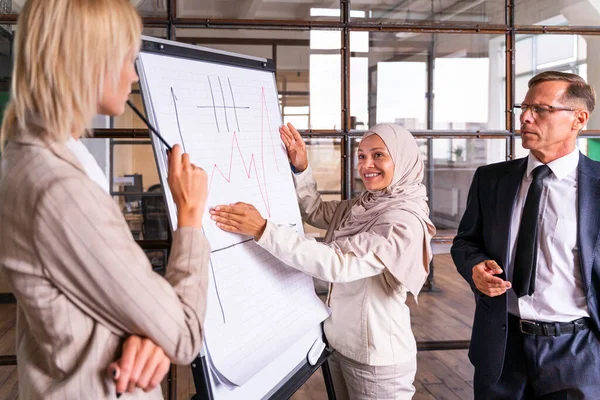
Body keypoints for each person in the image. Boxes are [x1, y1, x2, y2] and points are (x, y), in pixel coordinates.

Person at [0, 0, 210, 398]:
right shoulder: (60, 191)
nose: (133, 75)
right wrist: (190, 217)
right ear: (87, 61)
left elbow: (105, 297)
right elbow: (184, 332)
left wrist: (153, 331)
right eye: (126, 58)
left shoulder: (35, 155)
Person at [210, 122, 435, 399]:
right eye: (361, 155)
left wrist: (263, 230)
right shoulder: (364, 204)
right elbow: (315, 210)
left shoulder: (404, 222)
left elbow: (338, 263)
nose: (367, 164)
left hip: (377, 359)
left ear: (403, 159)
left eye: (378, 155)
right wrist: (301, 168)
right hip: (341, 346)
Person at [451, 71, 600, 399]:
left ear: (579, 118)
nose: (525, 117)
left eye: (541, 109)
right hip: (502, 347)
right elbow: (466, 242)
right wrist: (474, 266)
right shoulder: (491, 179)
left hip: (577, 350)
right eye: (524, 107)